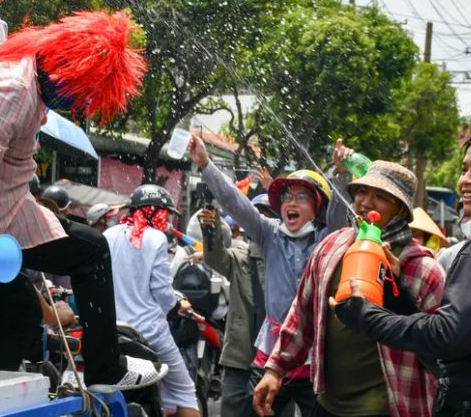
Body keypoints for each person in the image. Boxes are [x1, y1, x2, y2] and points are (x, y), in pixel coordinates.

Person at [0, 9, 164, 392]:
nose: (78, 103)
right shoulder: (15, 92)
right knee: (92, 250)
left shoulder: (12, 57)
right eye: (83, 92)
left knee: (22, 314)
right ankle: (105, 367)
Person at [333, 122, 471, 416]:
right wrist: (396, 294)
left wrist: (363, 315)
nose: (465, 180)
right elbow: (453, 347)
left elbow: (446, 338)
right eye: (464, 170)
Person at [254, 160, 445, 417]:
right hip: (328, 406)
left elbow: (441, 352)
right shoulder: (331, 248)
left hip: (391, 409)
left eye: (381, 197)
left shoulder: (423, 270)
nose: (366, 203)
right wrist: (274, 369)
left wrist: (398, 291)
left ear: (401, 209)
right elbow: (302, 315)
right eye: (362, 192)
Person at [186, 134, 328, 417]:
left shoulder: (327, 240)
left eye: (302, 197)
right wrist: (205, 163)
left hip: (315, 358)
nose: (292, 202)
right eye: (287, 196)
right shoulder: (269, 234)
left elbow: (340, 213)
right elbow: (235, 202)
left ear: (318, 207)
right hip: (272, 358)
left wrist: (344, 172)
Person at [105, 185, 196, 417]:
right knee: (185, 390)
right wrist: (177, 305)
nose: (166, 221)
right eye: (164, 215)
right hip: (149, 334)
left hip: (111, 331)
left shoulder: (108, 235)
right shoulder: (155, 238)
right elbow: (163, 292)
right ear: (153, 212)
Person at [198, 203, 267, 417]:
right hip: (240, 356)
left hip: (276, 359)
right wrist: (211, 228)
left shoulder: (288, 260)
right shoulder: (240, 257)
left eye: (268, 217)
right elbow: (215, 257)